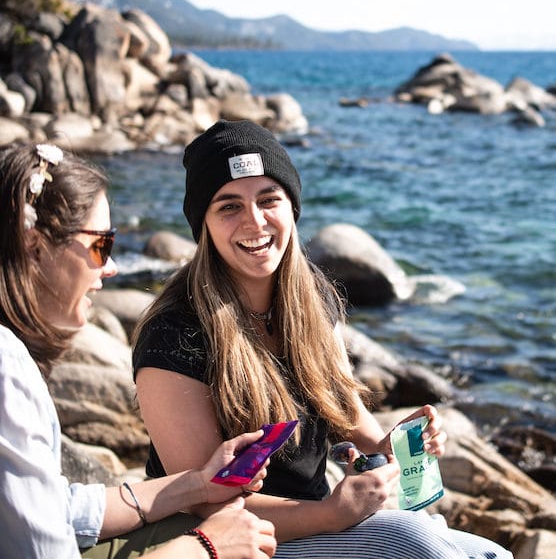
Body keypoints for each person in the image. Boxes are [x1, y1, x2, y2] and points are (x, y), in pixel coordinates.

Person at [132, 120, 514, 559]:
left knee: (491, 554)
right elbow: (201, 498)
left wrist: (390, 445)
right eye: (229, 206)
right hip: (223, 539)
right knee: (418, 546)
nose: (255, 221)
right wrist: (333, 514)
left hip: (314, 516)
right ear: (204, 224)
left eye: (268, 199)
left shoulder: (310, 296)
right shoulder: (174, 334)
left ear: (291, 207)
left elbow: (341, 407)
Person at [0, 142, 277, 559]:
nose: (110, 266)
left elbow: (60, 509)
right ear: (35, 247)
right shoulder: (7, 371)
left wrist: (198, 483)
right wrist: (208, 546)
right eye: (101, 245)